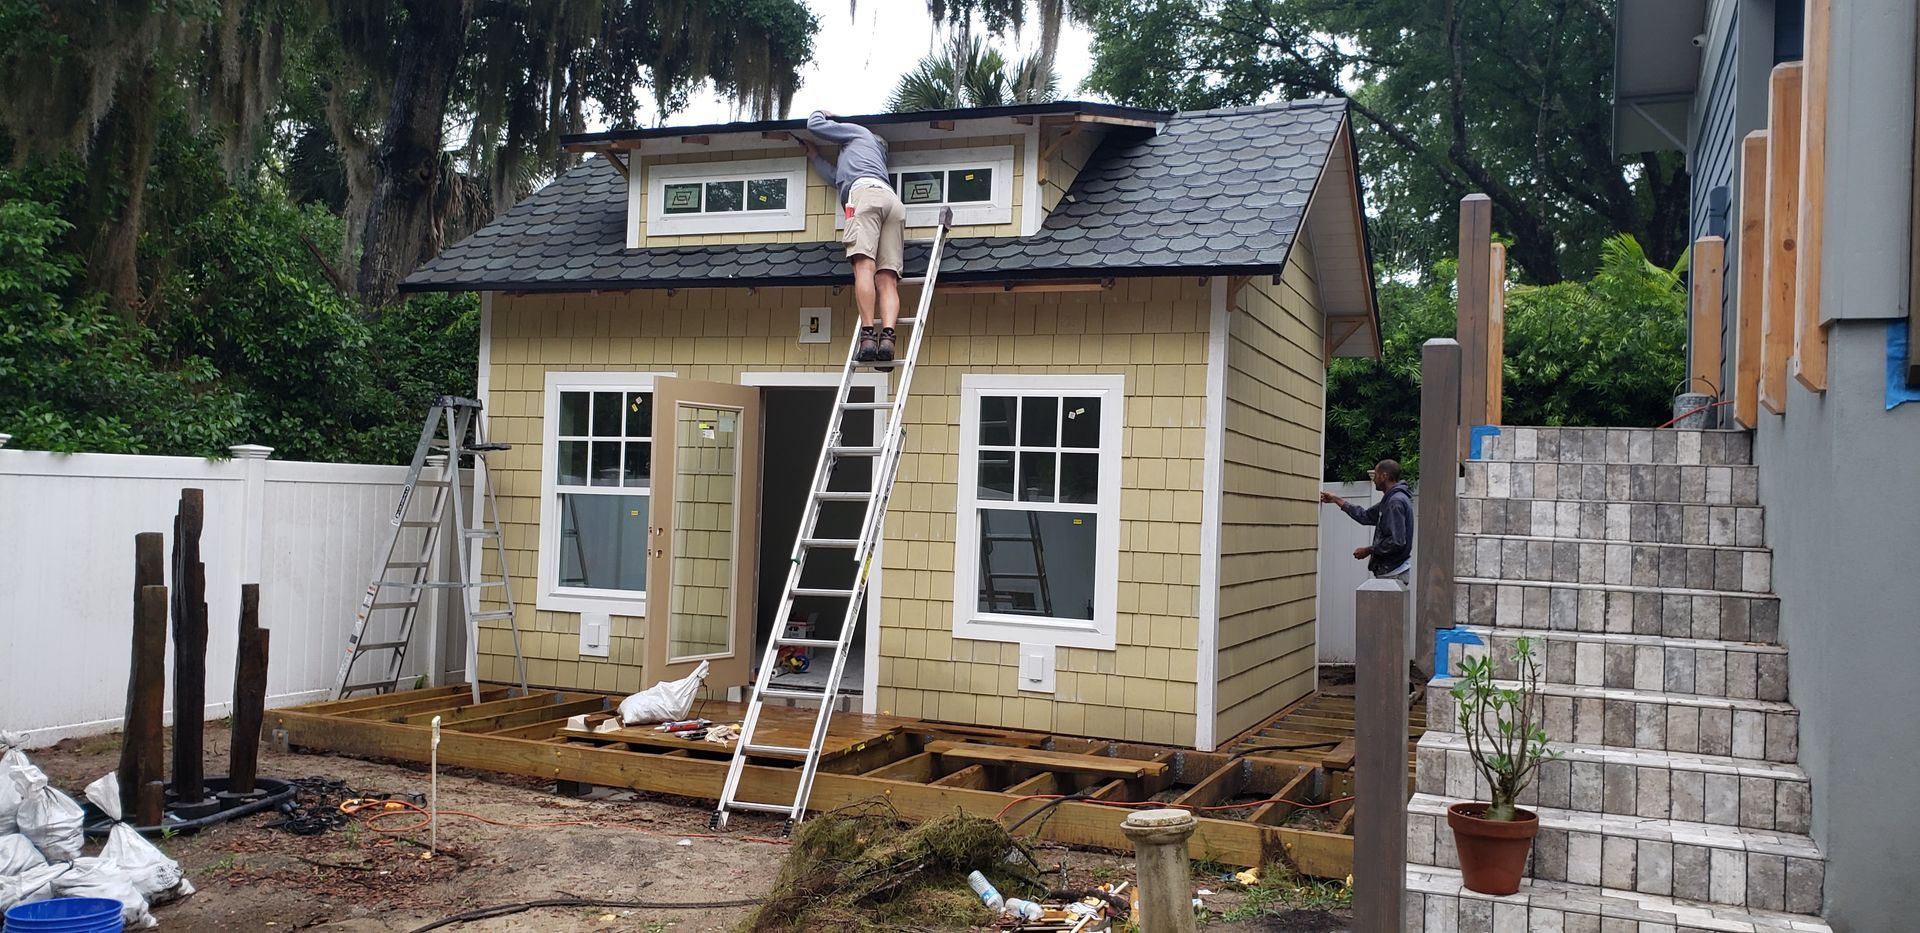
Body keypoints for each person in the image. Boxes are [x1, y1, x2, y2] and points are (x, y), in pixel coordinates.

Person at [800, 110, 906, 365]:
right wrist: (814, 156)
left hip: (865, 198)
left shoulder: (859, 133)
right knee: (887, 278)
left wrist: (827, 113)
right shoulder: (869, 162)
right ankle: (888, 339)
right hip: (893, 203)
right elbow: (835, 177)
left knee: (864, 268)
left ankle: (868, 336)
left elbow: (814, 124)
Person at [1321, 460, 1414, 581]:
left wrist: (1369, 550)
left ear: (1384, 476)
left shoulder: (1395, 502)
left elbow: (1397, 541)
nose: (1374, 479)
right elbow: (1365, 516)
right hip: (1391, 570)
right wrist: (1336, 499)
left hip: (1392, 572)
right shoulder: (1390, 500)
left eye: (1376, 475)